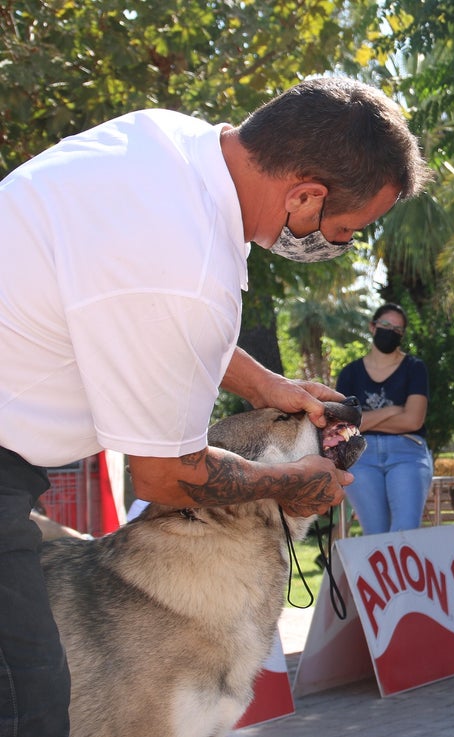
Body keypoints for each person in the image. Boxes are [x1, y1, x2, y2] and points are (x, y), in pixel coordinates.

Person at [0, 76, 431, 737]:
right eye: (345, 230)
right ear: (306, 194)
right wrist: (290, 484)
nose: (340, 246)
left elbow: (137, 309)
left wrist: (264, 386)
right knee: (31, 708)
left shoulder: (166, 141)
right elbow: (164, 477)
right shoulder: (190, 260)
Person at [335, 303, 433, 533]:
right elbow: (344, 426)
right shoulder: (350, 373)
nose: (391, 332)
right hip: (361, 456)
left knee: (405, 533)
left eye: (398, 329)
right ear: (373, 326)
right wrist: (392, 410)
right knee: (375, 535)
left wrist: (364, 420)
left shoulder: (415, 368)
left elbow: (413, 421)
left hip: (407, 451)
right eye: (386, 325)